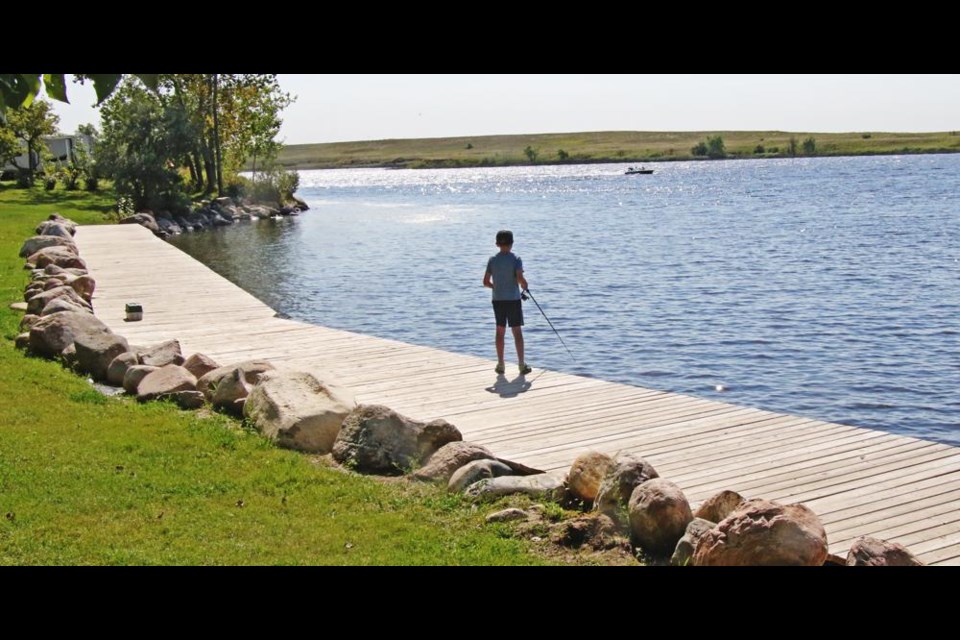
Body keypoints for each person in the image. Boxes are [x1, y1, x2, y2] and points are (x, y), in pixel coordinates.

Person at [483, 229, 531, 375]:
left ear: (497, 243)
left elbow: (485, 282)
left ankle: (501, 364)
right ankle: (521, 365)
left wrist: (495, 287)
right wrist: (525, 285)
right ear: (512, 243)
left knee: (500, 330)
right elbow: (519, 279)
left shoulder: (492, 260)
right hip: (513, 300)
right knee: (517, 331)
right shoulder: (516, 259)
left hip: (498, 300)